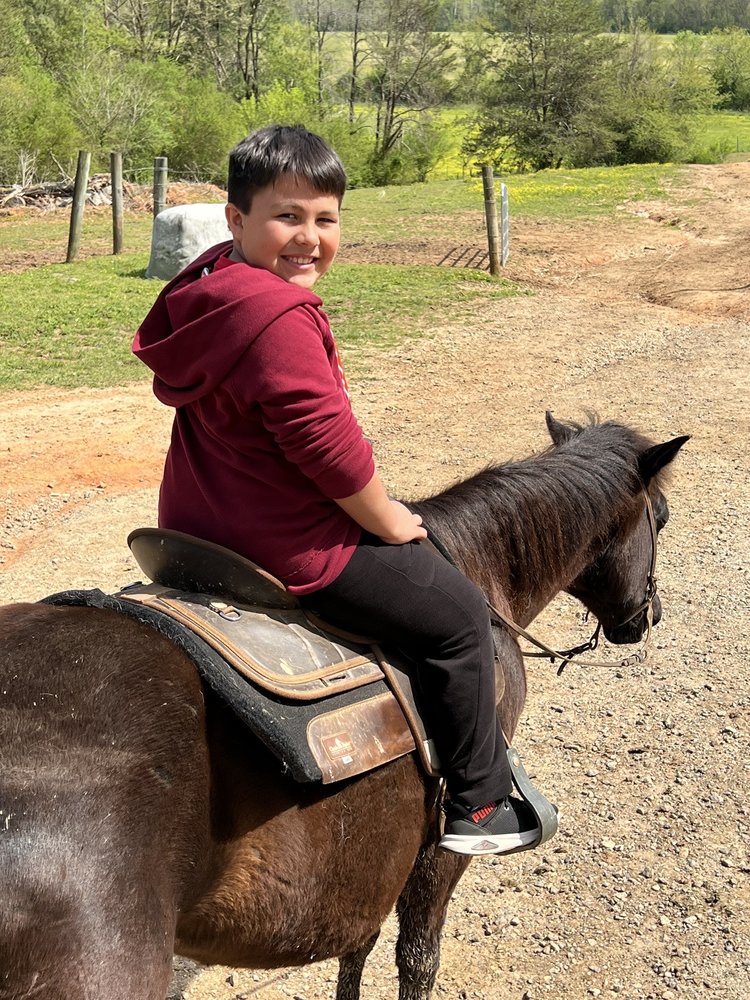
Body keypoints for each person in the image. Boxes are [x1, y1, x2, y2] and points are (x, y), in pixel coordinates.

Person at [133, 124, 546, 856]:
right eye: (286, 217)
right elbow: (325, 447)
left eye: (326, 219)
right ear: (236, 219)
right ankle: (479, 807)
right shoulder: (280, 316)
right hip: (282, 540)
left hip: (199, 523)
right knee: (456, 615)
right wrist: (388, 518)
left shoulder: (208, 287)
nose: (308, 238)